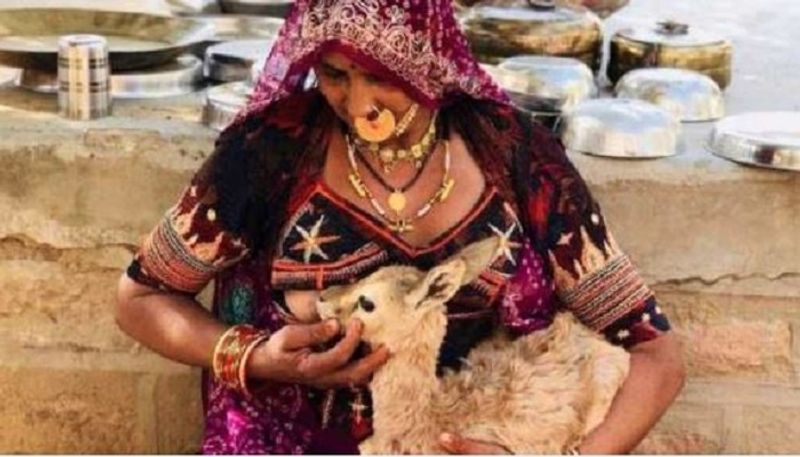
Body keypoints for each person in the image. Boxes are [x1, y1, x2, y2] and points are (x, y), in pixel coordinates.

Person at [115, 0, 685, 454]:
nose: (356, 101)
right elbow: (141, 296)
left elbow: (656, 354)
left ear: (424, 54)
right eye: (335, 73)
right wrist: (257, 356)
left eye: (380, 75)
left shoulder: (514, 158)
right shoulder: (269, 153)